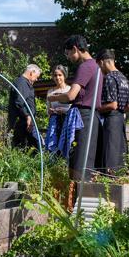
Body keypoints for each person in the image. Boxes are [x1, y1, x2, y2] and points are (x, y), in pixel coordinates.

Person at [47, 35, 102, 182]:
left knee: (77, 158)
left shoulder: (85, 67)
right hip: (93, 117)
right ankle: (84, 190)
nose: (68, 57)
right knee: (87, 158)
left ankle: (76, 192)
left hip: (82, 118)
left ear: (75, 49)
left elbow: (71, 95)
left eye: (68, 53)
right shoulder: (97, 66)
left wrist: (54, 97)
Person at [96, 49, 129, 174]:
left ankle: (109, 181)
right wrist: (119, 109)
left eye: (99, 66)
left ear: (102, 62)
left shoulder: (109, 77)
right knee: (120, 156)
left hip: (111, 121)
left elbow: (113, 104)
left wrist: (97, 108)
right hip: (120, 121)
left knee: (110, 155)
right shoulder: (124, 78)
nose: (99, 69)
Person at [8, 63, 43, 151]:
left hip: (26, 121)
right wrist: (28, 116)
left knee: (29, 147)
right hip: (23, 121)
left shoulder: (25, 84)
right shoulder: (21, 83)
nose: (37, 79)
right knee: (35, 145)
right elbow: (19, 102)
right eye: (37, 76)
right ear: (31, 72)